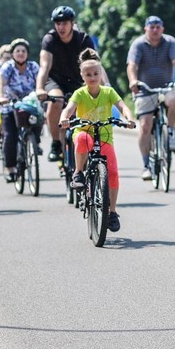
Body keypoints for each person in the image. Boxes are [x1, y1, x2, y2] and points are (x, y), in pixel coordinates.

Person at [60, 49, 135, 232]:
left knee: (113, 172)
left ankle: (112, 212)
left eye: (95, 73)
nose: (92, 77)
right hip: (84, 132)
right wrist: (64, 118)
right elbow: (69, 109)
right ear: (82, 75)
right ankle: (78, 172)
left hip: (104, 136)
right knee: (83, 139)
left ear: (101, 74)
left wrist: (129, 118)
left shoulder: (108, 92)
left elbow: (122, 106)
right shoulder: (79, 93)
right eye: (88, 74)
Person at [126, 15, 175, 181]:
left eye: (158, 27)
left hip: (166, 86)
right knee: (145, 125)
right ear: (146, 29)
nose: (155, 30)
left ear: (162, 29)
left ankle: (170, 132)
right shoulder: (138, 44)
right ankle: (146, 166)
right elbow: (132, 65)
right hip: (145, 88)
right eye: (152, 27)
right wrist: (133, 81)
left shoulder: (170, 42)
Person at [37, 6, 107, 163]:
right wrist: (40, 88)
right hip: (54, 80)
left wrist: (106, 85)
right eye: (58, 23)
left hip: (77, 80)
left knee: (90, 106)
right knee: (57, 100)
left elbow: (96, 65)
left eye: (64, 23)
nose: (61, 27)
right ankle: (56, 144)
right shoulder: (50, 39)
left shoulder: (83, 39)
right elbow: (44, 66)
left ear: (72, 23)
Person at [0, 38, 40, 182]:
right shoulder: (8, 67)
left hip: (29, 104)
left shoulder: (33, 66)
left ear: (27, 53)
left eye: (23, 51)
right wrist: (0, 96)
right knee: (10, 136)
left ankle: (34, 142)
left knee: (39, 120)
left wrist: (42, 91)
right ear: (13, 53)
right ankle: (10, 167)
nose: (20, 53)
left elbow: (41, 81)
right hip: (10, 105)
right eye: (17, 51)